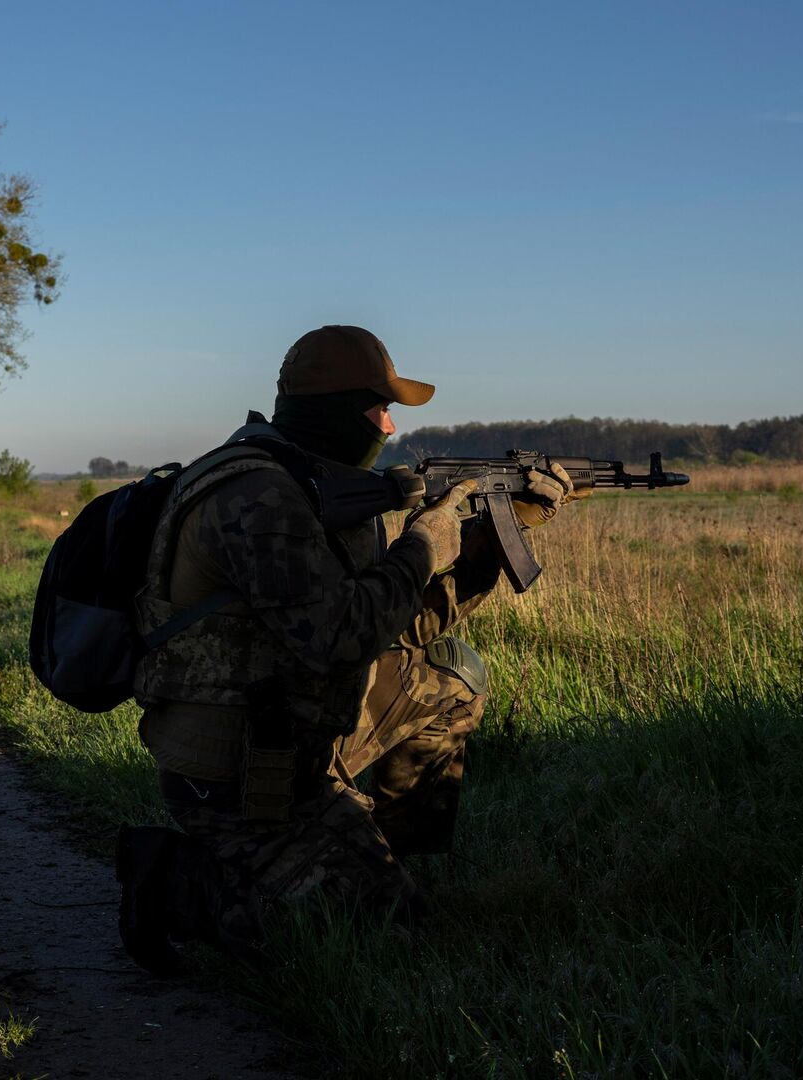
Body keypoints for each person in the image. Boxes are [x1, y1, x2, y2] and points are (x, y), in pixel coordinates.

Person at [117, 325, 583, 973]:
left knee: (453, 677)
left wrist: (487, 541)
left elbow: (399, 629)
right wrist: (422, 545)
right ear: (332, 408)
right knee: (375, 941)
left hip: (298, 727)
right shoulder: (258, 496)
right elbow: (336, 638)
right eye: (378, 409)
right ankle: (175, 880)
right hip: (235, 767)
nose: (390, 428)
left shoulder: (317, 487)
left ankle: (376, 855)